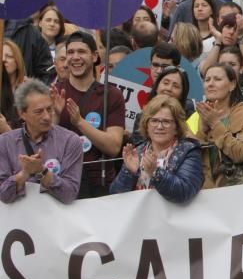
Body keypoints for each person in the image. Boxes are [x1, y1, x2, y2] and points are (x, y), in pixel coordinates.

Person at [50, 31, 125, 198]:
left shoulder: (111, 95)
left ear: (94, 56)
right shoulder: (55, 92)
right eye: (70, 52)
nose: (75, 57)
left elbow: (113, 147)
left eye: (81, 52)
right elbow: (45, 146)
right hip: (61, 181)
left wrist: (79, 122)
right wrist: (55, 116)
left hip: (98, 184)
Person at [0, 79, 83, 203]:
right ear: (22, 113)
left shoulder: (70, 141)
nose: (47, 117)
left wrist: (42, 172)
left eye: (49, 109)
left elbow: (69, 194)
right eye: (39, 111)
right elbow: (3, 195)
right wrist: (24, 174)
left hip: (55, 219)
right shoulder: (5, 142)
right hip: (17, 219)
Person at [110, 96, 204, 203]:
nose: (159, 126)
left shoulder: (189, 151)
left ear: (177, 127)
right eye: (154, 121)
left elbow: (185, 192)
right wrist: (129, 172)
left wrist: (156, 173)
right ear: (146, 125)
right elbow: (115, 197)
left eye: (166, 122)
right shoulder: (139, 151)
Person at [194, 63, 243, 188]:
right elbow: (192, 158)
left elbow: (241, 154)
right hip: (204, 190)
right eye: (207, 80)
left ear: (232, 84)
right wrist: (202, 131)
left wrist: (215, 124)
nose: (210, 84)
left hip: (235, 190)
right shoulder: (199, 114)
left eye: (217, 79)